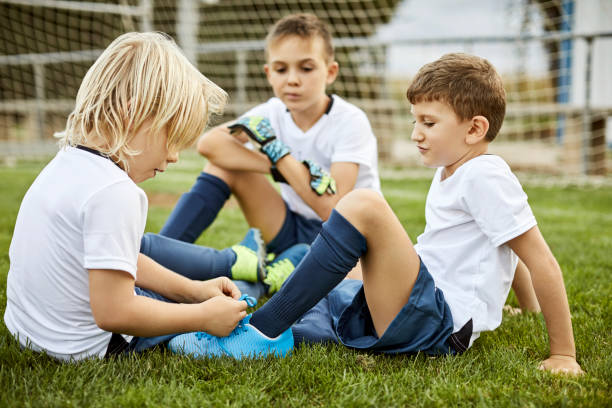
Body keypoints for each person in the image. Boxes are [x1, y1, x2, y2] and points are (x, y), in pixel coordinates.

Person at [168, 53, 584, 376]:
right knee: (335, 286)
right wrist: (524, 308)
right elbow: (505, 244)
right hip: (424, 301)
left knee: (364, 203)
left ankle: (261, 332)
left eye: (428, 122)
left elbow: (536, 256)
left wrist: (563, 353)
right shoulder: (456, 169)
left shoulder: (484, 176)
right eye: (414, 120)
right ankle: (258, 317)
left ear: (474, 129)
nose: (415, 133)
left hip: (438, 324)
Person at [3, 32, 260, 361]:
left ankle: (220, 280)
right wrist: (202, 316)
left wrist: (194, 290)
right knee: (233, 302)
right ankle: (260, 279)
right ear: (134, 113)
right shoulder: (116, 192)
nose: (174, 157)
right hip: (86, 348)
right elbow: (115, 312)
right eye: (173, 138)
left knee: (188, 293)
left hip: (30, 333)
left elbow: (115, 257)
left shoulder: (67, 160)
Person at [147, 13, 381, 297]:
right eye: (281, 70)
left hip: (340, 237)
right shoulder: (271, 111)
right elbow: (210, 144)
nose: (292, 80)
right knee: (223, 166)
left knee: (354, 291)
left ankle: (279, 268)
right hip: (289, 226)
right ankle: (156, 262)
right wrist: (275, 168)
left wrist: (277, 153)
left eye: (306, 68)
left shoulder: (350, 120)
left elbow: (334, 209)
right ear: (269, 74)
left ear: (330, 72)